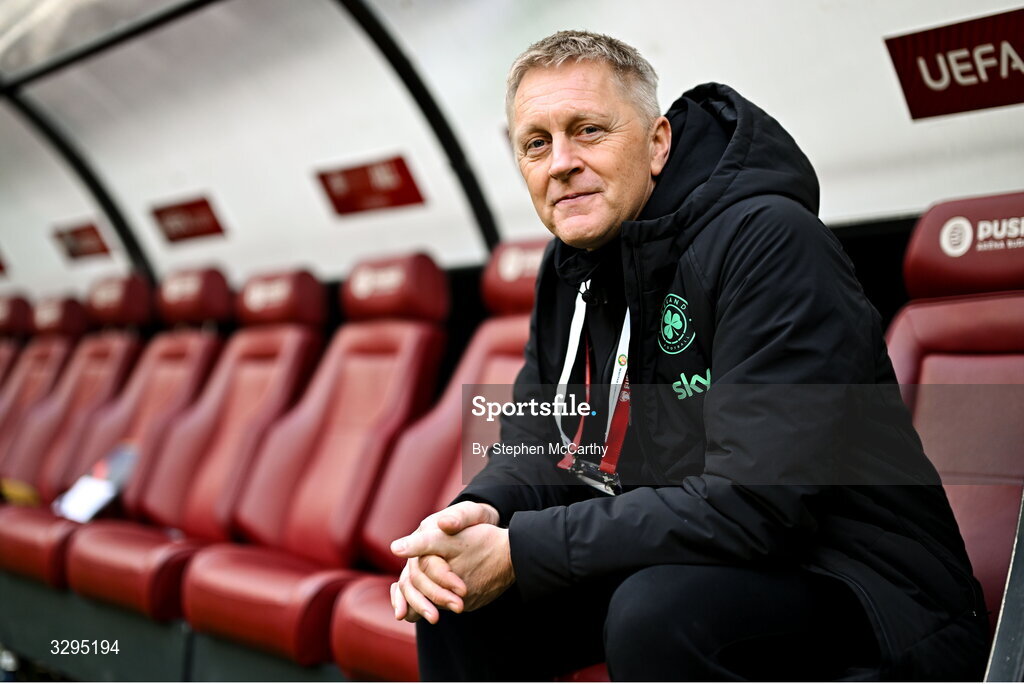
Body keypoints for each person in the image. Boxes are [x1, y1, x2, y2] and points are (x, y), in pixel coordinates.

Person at [389, 30, 990, 680]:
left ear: (657, 144)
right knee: (452, 596)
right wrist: (474, 519)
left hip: (864, 586)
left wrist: (524, 550)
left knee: (654, 614)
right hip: (695, 557)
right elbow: (538, 441)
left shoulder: (770, 242)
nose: (560, 161)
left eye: (588, 130)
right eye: (536, 143)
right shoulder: (571, 269)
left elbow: (757, 506)